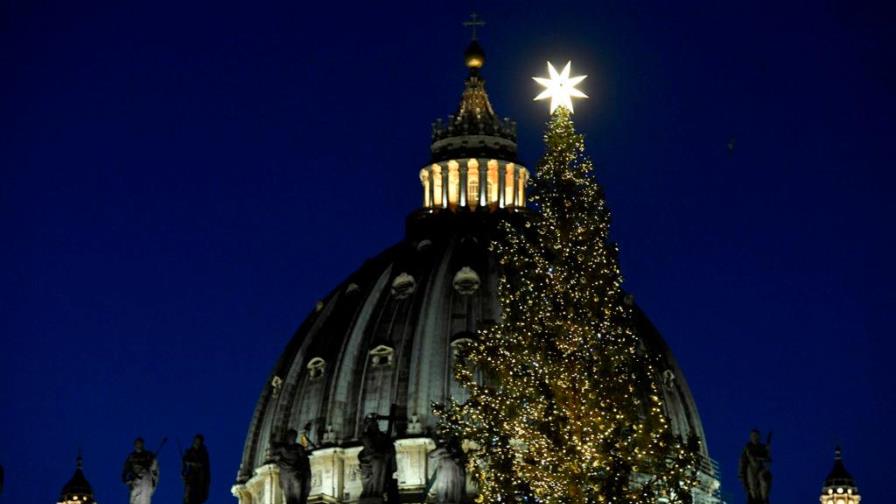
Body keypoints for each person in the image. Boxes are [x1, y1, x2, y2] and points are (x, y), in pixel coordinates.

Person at [272, 428, 311, 504]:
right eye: (291, 436)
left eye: (294, 436)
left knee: (298, 495)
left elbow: (304, 460)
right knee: (289, 496)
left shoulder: (298, 448)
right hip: (287, 474)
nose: (292, 438)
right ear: (288, 437)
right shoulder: (283, 448)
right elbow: (273, 451)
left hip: (295, 473)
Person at [122, 437, 159, 504]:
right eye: (137, 444)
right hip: (135, 482)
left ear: (142, 444)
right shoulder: (131, 457)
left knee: (144, 500)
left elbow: (155, 470)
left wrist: (152, 463)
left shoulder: (149, 455)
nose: (138, 445)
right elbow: (125, 471)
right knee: (134, 500)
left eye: (140, 443)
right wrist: (127, 480)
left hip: (145, 481)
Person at [739, 429, 772, 504]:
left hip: (760, 473)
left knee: (766, 478)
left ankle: (763, 499)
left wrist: (768, 451)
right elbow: (744, 463)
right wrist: (744, 482)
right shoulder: (748, 447)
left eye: (756, 436)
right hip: (751, 475)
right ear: (751, 437)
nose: (755, 438)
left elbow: (768, 461)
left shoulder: (762, 447)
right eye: (753, 436)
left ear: (759, 437)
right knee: (753, 495)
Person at [182, 434, 211, 504]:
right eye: (195, 440)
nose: (196, 442)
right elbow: (184, 463)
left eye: (198, 441)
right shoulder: (190, 451)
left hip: (199, 479)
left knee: (196, 496)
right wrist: (184, 470)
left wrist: (190, 463)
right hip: (190, 478)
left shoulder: (203, 452)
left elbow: (202, 464)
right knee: (188, 495)